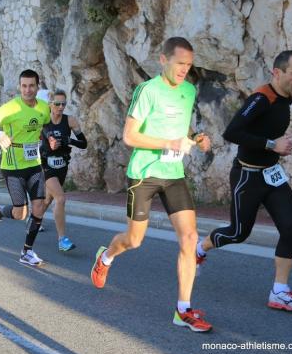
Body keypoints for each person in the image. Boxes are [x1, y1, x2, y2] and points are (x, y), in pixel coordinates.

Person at [90, 37, 213, 332]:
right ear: (163, 60)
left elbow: (182, 127)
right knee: (134, 240)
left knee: (190, 238)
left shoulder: (188, 90)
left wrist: (196, 137)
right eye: (180, 63)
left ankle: (183, 310)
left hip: (173, 174)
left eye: (189, 64)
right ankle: (105, 256)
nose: (185, 69)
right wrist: (166, 143)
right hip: (144, 174)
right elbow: (130, 136)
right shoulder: (147, 91)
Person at [195, 50, 292, 312]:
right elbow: (232, 132)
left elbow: (267, 131)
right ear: (277, 73)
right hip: (247, 175)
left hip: (271, 174)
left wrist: (281, 144)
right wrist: (272, 144)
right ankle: (200, 248)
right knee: (238, 233)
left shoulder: (287, 98)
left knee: (291, 228)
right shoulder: (262, 98)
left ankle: (279, 292)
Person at [0, 69, 51, 266]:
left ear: (38, 87)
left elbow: (44, 126)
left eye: (31, 86)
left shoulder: (44, 108)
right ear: (20, 87)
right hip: (13, 166)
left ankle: (27, 252)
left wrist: (49, 139)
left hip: (34, 164)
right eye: (24, 86)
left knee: (38, 207)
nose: (27, 90)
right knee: (20, 214)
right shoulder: (9, 108)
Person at [39, 89, 87, 251]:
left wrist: (69, 140)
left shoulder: (71, 121)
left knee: (47, 200)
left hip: (62, 167)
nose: (60, 107)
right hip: (46, 166)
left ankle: (34, 220)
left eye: (63, 104)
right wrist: (49, 141)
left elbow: (84, 143)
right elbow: (43, 135)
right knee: (60, 198)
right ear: (50, 104)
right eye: (57, 104)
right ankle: (62, 240)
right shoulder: (43, 121)